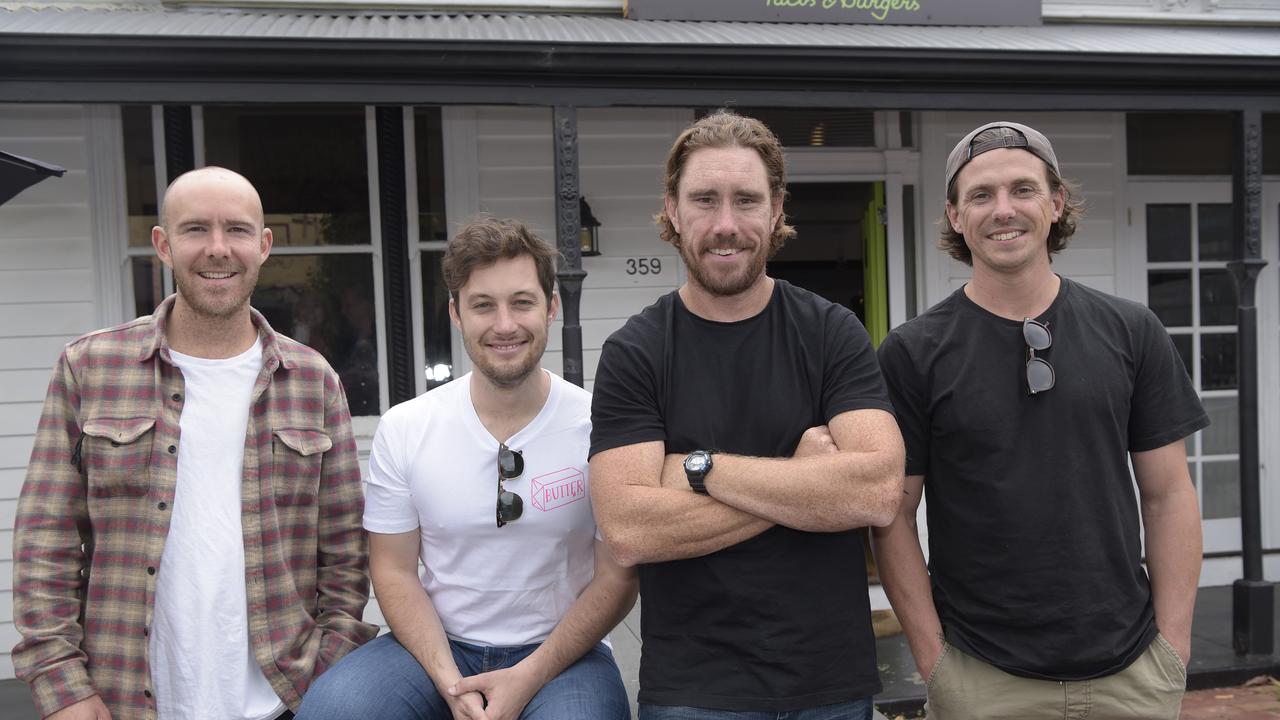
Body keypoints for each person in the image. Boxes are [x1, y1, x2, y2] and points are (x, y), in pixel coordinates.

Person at [12, 166, 377, 720]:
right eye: (194, 230)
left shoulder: (312, 380)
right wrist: (65, 689)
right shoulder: (89, 367)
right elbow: (46, 541)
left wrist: (327, 672)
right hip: (120, 698)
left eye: (236, 229)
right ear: (163, 244)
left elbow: (346, 553)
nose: (217, 249)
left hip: (282, 700)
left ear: (264, 245)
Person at [873, 121, 1207, 719]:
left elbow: (1169, 494)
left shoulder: (1132, 332)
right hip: (982, 677)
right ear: (954, 215)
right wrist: (935, 661)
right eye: (980, 195)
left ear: (1055, 204)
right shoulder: (912, 353)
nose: (1003, 210)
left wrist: (1172, 647)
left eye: (1022, 190)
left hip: (1132, 674)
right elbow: (892, 514)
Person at [588, 110, 905, 719]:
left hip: (829, 684)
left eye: (746, 200)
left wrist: (698, 469)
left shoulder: (832, 333)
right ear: (673, 211)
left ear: (777, 209)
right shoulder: (636, 350)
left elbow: (877, 490)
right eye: (704, 200)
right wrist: (803, 484)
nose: (725, 224)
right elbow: (628, 529)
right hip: (693, 692)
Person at [297, 217, 636, 720]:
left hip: (564, 653)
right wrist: (448, 681)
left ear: (552, 307)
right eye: (483, 305)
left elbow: (618, 577)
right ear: (456, 314)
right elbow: (392, 569)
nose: (504, 325)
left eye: (522, 302)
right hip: (438, 645)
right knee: (334, 709)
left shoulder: (597, 426)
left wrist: (528, 676)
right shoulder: (407, 427)